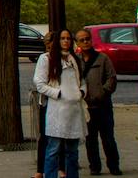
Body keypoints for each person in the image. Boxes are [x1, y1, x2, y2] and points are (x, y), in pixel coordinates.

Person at [35, 28, 86, 178]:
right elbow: (39, 83)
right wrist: (58, 93)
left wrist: (81, 92)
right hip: (57, 110)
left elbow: (81, 81)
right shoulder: (46, 58)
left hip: (73, 110)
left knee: (72, 151)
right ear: (57, 41)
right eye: (62, 38)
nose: (65, 41)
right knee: (53, 149)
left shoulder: (74, 59)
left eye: (68, 38)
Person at [76, 29, 121, 175]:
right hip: (86, 107)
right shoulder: (76, 60)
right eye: (81, 40)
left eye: (87, 39)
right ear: (77, 43)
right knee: (90, 140)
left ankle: (114, 166)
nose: (85, 42)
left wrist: (103, 92)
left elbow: (112, 78)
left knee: (108, 138)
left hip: (103, 105)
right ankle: (94, 167)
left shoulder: (103, 59)